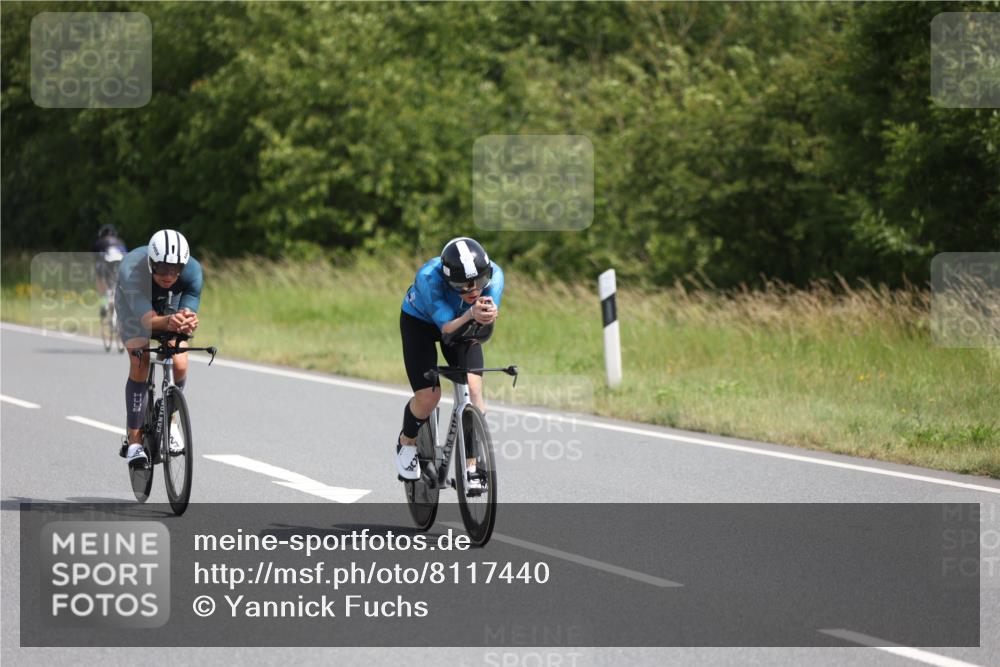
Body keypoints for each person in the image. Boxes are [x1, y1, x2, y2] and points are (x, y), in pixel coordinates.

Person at [397, 237, 504, 486]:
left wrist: (485, 315)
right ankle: (407, 441)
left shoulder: (495, 275)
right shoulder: (428, 277)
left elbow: (483, 322)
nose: (474, 290)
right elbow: (446, 328)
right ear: (447, 280)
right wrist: (471, 313)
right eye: (463, 286)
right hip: (421, 323)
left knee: (474, 390)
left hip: (464, 322)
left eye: (479, 282)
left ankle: (472, 467)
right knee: (428, 397)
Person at [114, 229, 203, 465]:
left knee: (180, 361)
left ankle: (170, 421)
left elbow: (187, 312)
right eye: (162, 268)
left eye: (175, 269)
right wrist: (169, 321)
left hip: (167, 304)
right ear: (151, 262)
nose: (169, 275)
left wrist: (187, 319)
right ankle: (133, 441)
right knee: (140, 359)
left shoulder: (193, 271)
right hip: (134, 307)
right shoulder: (131, 269)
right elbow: (147, 321)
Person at [93, 224, 127, 318]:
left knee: (100, 281)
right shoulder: (120, 242)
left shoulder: (100, 242)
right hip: (121, 262)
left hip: (107, 261)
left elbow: (97, 259)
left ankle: (104, 303)